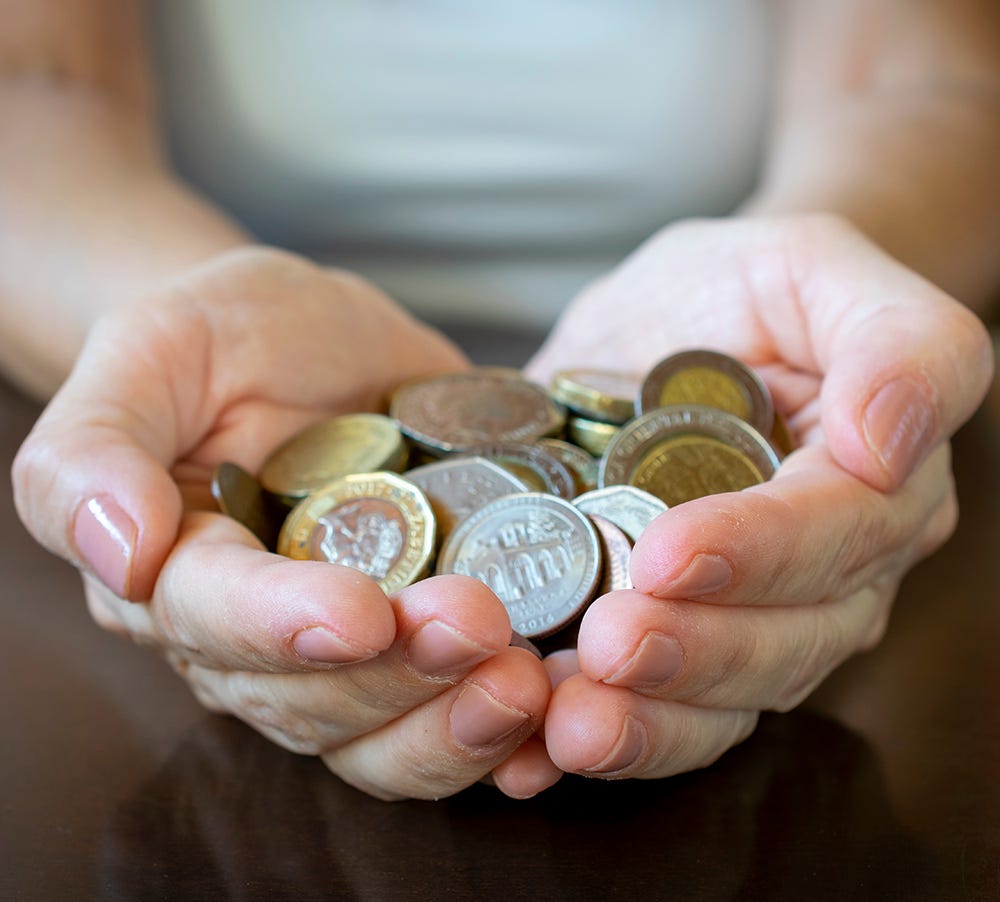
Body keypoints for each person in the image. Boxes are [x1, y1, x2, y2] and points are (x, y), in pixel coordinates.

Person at [5, 1, 999, 802]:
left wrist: (828, 274)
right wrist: (156, 313)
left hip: (739, 355)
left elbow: (925, 77)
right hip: (243, 348)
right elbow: (33, 86)